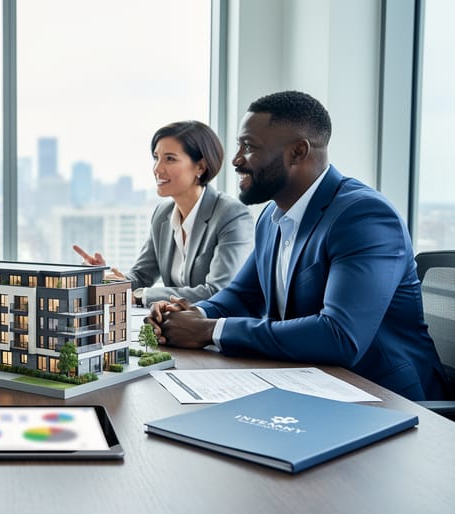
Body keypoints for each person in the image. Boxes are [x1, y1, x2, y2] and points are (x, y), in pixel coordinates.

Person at [148, 90, 449, 401]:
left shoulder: (364, 217)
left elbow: (340, 335)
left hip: (387, 400)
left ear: (297, 152)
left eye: (249, 147)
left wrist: (210, 330)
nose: (236, 160)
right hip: (311, 386)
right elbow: (242, 295)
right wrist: (188, 314)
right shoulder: (272, 216)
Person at [73, 120, 253, 306]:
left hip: (214, 329)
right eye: (156, 158)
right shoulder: (163, 213)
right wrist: (104, 279)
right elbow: (140, 277)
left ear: (200, 167)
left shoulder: (231, 215)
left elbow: (217, 291)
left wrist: (141, 296)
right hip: (176, 327)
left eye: (170, 159)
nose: (157, 169)